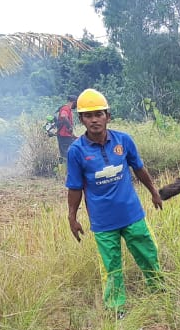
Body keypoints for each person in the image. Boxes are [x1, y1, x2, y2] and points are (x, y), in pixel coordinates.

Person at [65, 88, 164, 313]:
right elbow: (74, 187)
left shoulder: (123, 140)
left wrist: (153, 191)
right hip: (103, 222)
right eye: (88, 116)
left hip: (132, 215)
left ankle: (159, 295)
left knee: (149, 255)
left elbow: (138, 168)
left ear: (108, 116)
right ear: (81, 120)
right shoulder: (76, 151)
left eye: (98, 114)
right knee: (111, 268)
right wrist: (72, 216)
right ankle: (117, 309)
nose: (94, 120)